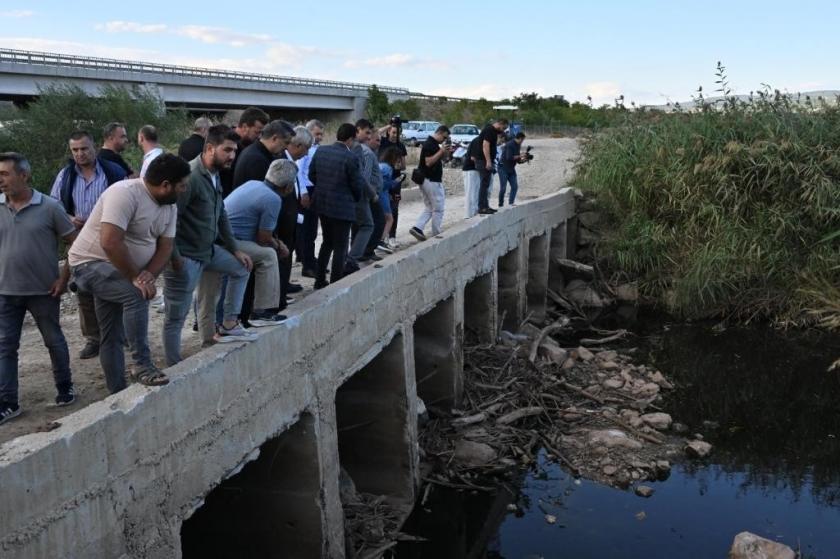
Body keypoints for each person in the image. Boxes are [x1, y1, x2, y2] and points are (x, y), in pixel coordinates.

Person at [68, 154, 191, 392]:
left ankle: (117, 390)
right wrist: (136, 278)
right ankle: (142, 364)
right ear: (166, 185)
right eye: (182, 185)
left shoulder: (169, 206)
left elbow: (166, 246)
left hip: (120, 271)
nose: (184, 190)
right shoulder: (124, 193)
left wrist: (148, 275)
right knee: (135, 295)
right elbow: (110, 242)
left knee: (111, 334)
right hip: (90, 264)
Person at [163, 125, 255, 366]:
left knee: (240, 268)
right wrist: (174, 257)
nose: (232, 156)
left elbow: (221, 213)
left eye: (234, 151)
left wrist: (234, 248)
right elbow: (171, 219)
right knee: (177, 314)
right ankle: (174, 365)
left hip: (208, 250)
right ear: (210, 148)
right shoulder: (191, 176)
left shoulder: (214, 174)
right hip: (186, 255)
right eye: (227, 150)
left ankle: (225, 326)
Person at [0, 152, 78, 424]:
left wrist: (63, 278)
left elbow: (74, 243)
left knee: (53, 341)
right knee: (5, 347)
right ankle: (8, 402)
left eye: (5, 174)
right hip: (5, 292)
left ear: (24, 175)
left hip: (44, 291)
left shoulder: (49, 207)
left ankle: (65, 386)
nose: (1, 181)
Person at [51, 130, 127, 361]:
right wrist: (69, 218)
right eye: (75, 150)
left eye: (84, 148)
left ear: (94, 147)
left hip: (110, 239)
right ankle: (94, 338)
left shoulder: (112, 172)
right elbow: (54, 204)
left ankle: (118, 335)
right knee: (83, 289)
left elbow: (127, 200)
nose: (80, 154)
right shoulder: (65, 176)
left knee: (116, 285)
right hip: (79, 240)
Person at [223, 159, 298, 326]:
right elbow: (264, 239)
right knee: (268, 255)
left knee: (267, 251)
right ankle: (263, 311)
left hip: (225, 237)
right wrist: (280, 246)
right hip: (230, 241)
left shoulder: (253, 184)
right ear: (288, 186)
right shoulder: (273, 198)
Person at [308, 123, 366, 289]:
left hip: (323, 204)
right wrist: (352, 199)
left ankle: (319, 280)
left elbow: (312, 174)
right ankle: (335, 283)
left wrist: (324, 188)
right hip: (342, 208)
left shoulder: (321, 151)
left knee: (327, 242)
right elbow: (357, 185)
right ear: (350, 139)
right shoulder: (350, 157)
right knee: (340, 246)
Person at [278, 126, 313, 307]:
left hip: (292, 217)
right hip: (283, 221)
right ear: (298, 145)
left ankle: (282, 292)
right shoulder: (282, 161)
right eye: (306, 149)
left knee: (287, 256)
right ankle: (278, 297)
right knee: (282, 257)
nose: (306, 154)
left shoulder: (289, 161)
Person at [409, 125, 452, 241]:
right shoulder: (429, 144)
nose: (444, 140)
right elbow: (428, 162)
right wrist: (442, 150)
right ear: (440, 132)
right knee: (438, 208)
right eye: (444, 137)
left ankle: (417, 228)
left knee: (429, 207)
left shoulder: (434, 144)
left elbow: (443, 159)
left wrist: (445, 152)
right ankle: (436, 233)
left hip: (428, 180)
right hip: (431, 180)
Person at [348, 119, 379, 273]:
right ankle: (352, 258)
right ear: (357, 130)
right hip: (362, 196)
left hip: (356, 195)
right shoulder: (363, 151)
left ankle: (351, 258)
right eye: (367, 132)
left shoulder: (358, 149)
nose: (368, 136)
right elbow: (363, 178)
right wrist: (371, 194)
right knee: (368, 225)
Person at [296, 119, 324, 278]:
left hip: (313, 189)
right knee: (307, 230)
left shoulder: (316, 149)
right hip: (306, 189)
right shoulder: (304, 149)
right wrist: (303, 192)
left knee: (311, 230)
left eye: (321, 134)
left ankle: (309, 259)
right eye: (316, 134)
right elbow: (298, 171)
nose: (319, 137)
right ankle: (308, 265)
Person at [221, 107, 270, 197]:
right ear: (244, 127)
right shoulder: (225, 144)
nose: (259, 137)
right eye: (256, 132)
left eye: (261, 133)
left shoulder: (249, 146)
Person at [232, 119, 295, 188]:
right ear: (274, 138)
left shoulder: (256, 153)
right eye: (286, 143)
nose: (286, 148)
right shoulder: (256, 160)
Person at [471, 118, 508, 214]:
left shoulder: (492, 131)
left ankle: (485, 206)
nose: (503, 130)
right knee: (484, 184)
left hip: (485, 160)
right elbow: (485, 145)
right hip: (483, 161)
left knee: (486, 184)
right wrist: (488, 161)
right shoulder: (489, 130)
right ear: (500, 123)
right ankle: (482, 207)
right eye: (503, 128)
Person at [378, 125, 407, 249]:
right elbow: (376, 133)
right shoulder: (382, 142)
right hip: (384, 190)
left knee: (393, 210)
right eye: (393, 132)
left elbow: (403, 165)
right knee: (387, 215)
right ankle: (381, 240)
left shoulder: (401, 146)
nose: (395, 135)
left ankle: (390, 237)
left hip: (390, 187)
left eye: (397, 132)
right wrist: (389, 124)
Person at [363, 133, 387, 260]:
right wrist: (372, 194)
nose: (379, 143)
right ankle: (367, 251)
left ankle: (366, 251)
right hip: (370, 195)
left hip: (373, 193)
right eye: (377, 140)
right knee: (378, 221)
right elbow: (365, 177)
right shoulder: (368, 154)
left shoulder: (371, 152)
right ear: (369, 138)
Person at [376, 147, 403, 253]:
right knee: (389, 219)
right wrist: (395, 182)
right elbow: (384, 185)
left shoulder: (380, 165)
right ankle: (381, 241)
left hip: (377, 195)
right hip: (383, 196)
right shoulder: (388, 168)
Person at [498, 132, 528, 206]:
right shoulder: (510, 144)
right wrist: (520, 155)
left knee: (515, 187)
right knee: (503, 188)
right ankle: (500, 204)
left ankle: (511, 203)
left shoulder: (518, 145)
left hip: (511, 169)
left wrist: (525, 159)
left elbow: (518, 161)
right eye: (523, 140)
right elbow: (509, 157)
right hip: (503, 168)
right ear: (520, 138)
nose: (522, 142)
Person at [462, 135, 480, 218]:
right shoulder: (477, 141)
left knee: (475, 192)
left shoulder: (480, 140)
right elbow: (473, 158)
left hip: (475, 170)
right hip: (471, 169)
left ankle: (474, 212)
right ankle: (469, 215)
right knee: (471, 192)